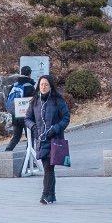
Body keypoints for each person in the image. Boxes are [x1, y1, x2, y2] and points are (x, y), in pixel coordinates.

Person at [32, 72, 71, 204]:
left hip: (54, 139)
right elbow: (27, 118)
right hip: (41, 139)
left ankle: (45, 195)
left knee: (49, 168)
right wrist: (33, 128)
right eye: (41, 84)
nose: (43, 87)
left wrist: (55, 128)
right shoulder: (35, 101)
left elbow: (66, 118)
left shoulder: (58, 100)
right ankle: (52, 195)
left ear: (51, 86)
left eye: (46, 85)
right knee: (48, 168)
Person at [6, 66, 36, 150]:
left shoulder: (14, 86)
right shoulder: (29, 86)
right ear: (30, 74)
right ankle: (29, 159)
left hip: (16, 116)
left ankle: (6, 154)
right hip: (27, 117)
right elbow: (34, 102)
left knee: (16, 137)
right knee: (30, 138)